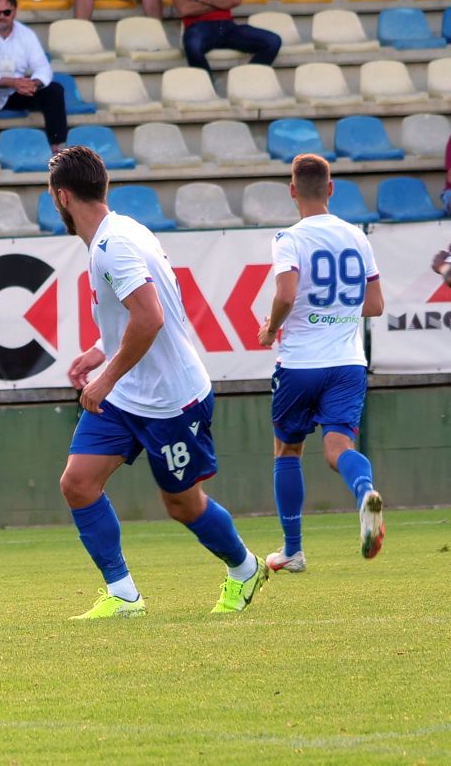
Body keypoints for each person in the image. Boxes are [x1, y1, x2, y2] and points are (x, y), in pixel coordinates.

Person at [51, 145, 268, 618]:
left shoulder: (114, 246)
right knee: (78, 483)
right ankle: (124, 595)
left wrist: (104, 378)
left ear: (61, 197)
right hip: (129, 393)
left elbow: (149, 318)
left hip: (172, 400)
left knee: (183, 505)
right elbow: (143, 312)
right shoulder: (123, 230)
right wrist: (100, 350)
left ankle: (245, 567)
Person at [256, 154, 386, 571]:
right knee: (338, 448)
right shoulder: (357, 237)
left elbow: (286, 294)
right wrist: (336, 310)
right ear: (331, 189)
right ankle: (364, 489)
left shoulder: (288, 238)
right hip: (348, 363)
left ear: (293, 190)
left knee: (287, 451)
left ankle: (292, 550)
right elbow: (376, 305)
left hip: (299, 364)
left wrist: (270, 329)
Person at [0, 0, 67, 151]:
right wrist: (13, 82)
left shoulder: (26, 34)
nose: (1, 16)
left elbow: (44, 68)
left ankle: (57, 146)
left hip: (17, 93)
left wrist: (33, 84)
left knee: (54, 90)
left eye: (6, 12)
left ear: (15, 12)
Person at [169, 0, 280, 74]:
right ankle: (206, 88)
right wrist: (221, 2)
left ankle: (246, 81)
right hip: (199, 27)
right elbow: (184, 8)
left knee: (273, 41)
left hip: (228, 27)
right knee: (192, 45)